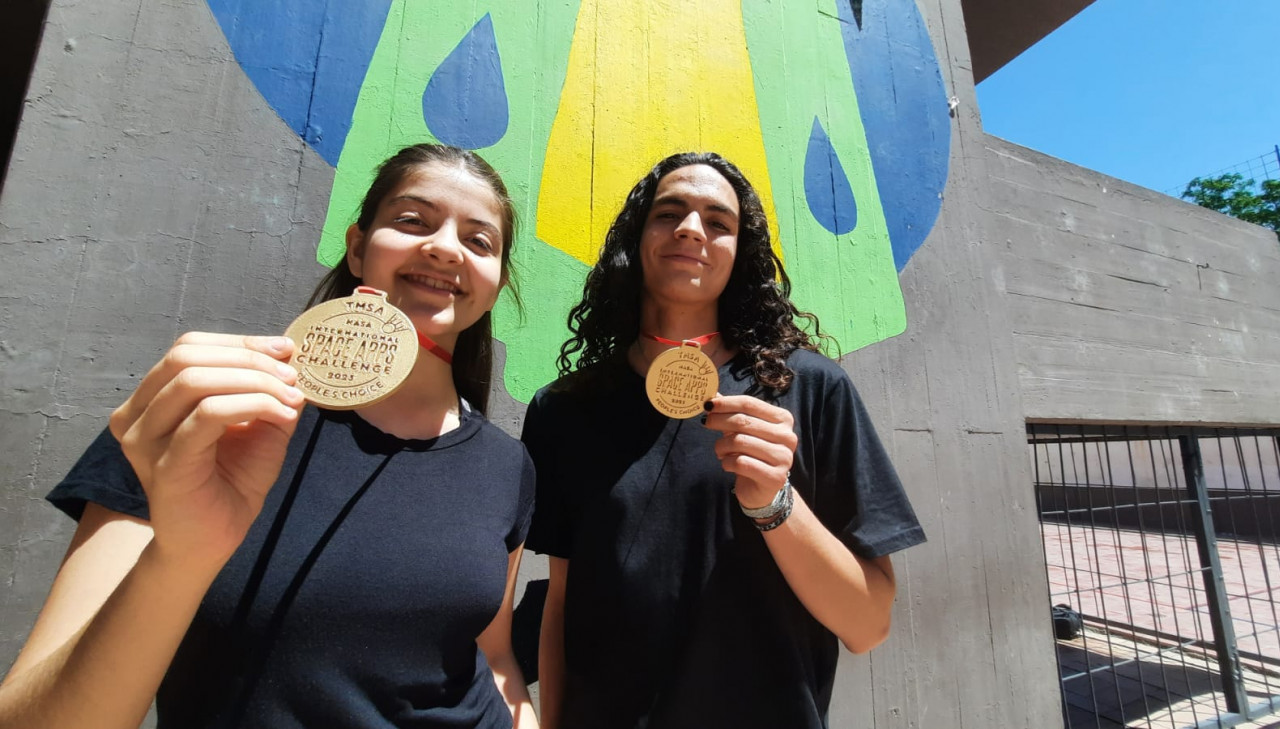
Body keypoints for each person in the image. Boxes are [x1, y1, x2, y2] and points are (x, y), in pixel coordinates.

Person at [0, 144, 538, 729]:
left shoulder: (506, 465)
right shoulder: (207, 410)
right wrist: (182, 559)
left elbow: (493, 654)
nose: (443, 247)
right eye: (413, 221)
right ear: (358, 248)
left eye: (479, 241)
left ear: (494, 283)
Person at [522, 152, 926, 729]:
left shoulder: (808, 388)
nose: (691, 229)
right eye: (670, 213)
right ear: (637, 237)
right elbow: (562, 604)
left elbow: (869, 625)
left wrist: (774, 503)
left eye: (719, 221)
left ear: (741, 254)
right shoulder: (563, 409)